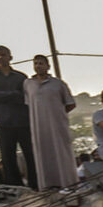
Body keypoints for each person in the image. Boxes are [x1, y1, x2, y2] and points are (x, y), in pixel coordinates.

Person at [25, 54, 78, 189]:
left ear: (48, 66)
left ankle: (68, 183)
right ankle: (47, 186)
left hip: (57, 124)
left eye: (41, 63)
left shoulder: (58, 84)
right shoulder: (28, 84)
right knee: (42, 153)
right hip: (39, 125)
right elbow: (28, 104)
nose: (38, 66)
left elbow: (70, 104)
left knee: (62, 152)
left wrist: (57, 114)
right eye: (36, 63)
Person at [0, 46, 37, 186]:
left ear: (10, 57)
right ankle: (15, 185)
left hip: (22, 121)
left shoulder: (21, 77)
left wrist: (6, 95)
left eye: (3, 55)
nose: (1, 57)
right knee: (8, 157)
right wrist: (13, 94)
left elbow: (25, 97)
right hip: (3, 121)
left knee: (31, 155)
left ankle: (35, 184)